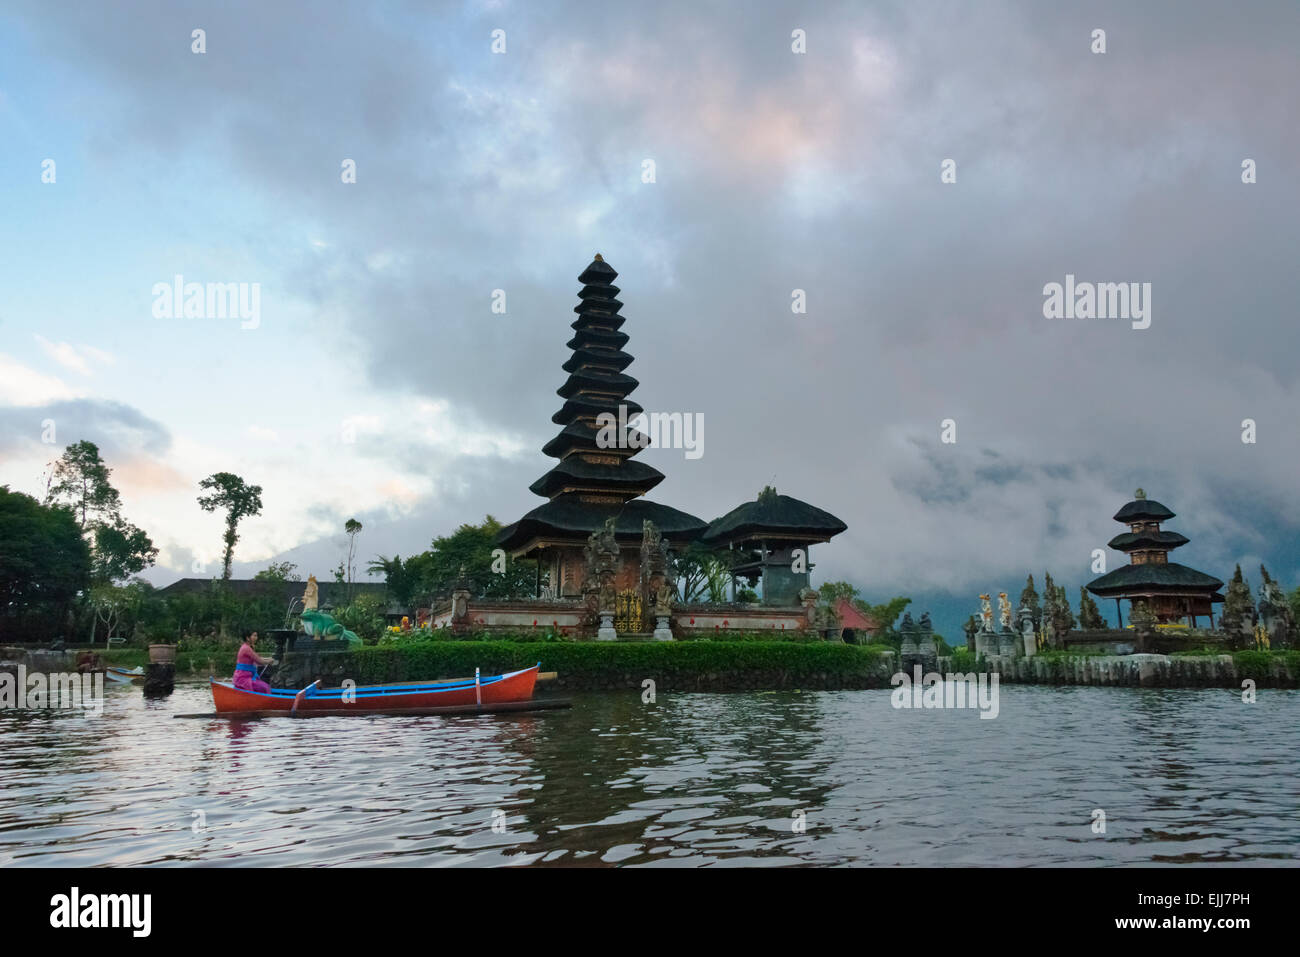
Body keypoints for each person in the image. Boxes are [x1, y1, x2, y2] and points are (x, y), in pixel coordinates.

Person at [233, 629, 275, 694]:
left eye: (256, 636)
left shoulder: (248, 647)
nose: (256, 638)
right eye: (254, 636)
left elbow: (258, 658)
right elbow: (259, 661)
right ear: (247, 638)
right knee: (266, 687)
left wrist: (269, 659)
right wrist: (270, 661)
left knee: (265, 687)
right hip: (243, 678)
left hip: (246, 676)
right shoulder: (246, 648)